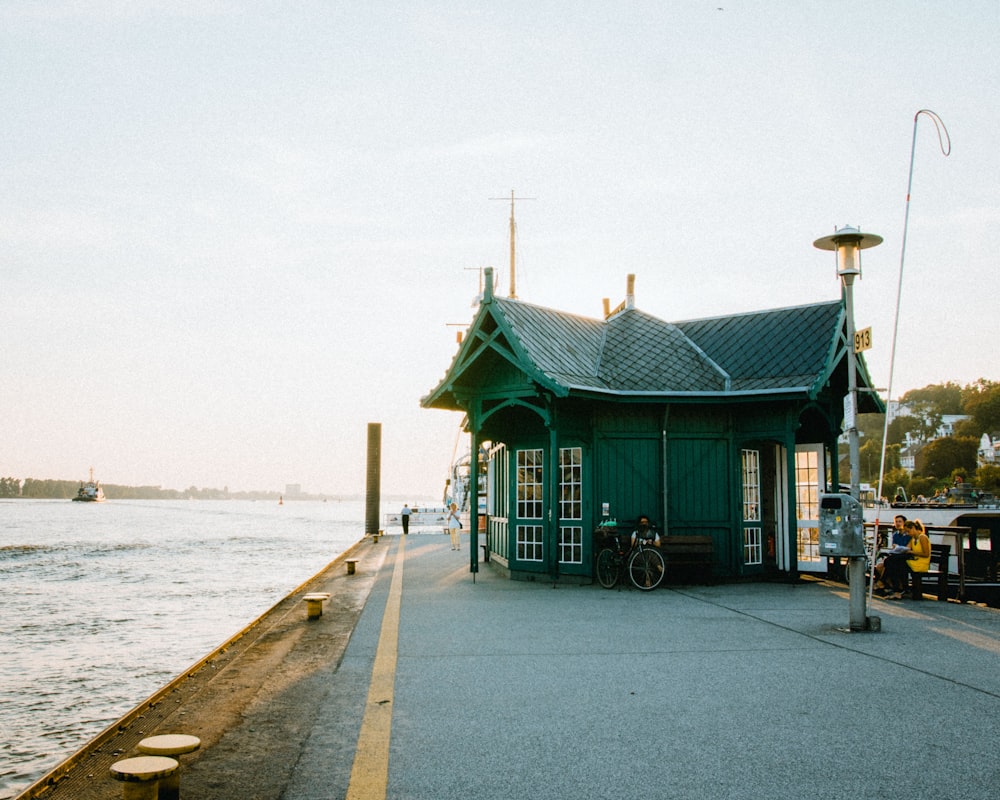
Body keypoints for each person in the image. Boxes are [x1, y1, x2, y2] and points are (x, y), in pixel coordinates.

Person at [881, 519, 931, 600]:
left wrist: (912, 552)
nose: (908, 534)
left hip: (920, 563)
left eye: (908, 531)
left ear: (913, 528)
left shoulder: (922, 537)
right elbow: (907, 548)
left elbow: (926, 554)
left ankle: (895, 588)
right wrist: (899, 548)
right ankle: (898, 589)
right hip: (913, 561)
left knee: (895, 563)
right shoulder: (913, 539)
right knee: (892, 561)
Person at [873, 514, 908, 592]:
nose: (898, 524)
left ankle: (883, 582)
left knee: (889, 562)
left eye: (900, 522)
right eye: (896, 522)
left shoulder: (908, 534)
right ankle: (891, 585)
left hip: (905, 555)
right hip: (896, 555)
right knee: (880, 566)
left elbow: (907, 547)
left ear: (904, 523)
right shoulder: (895, 535)